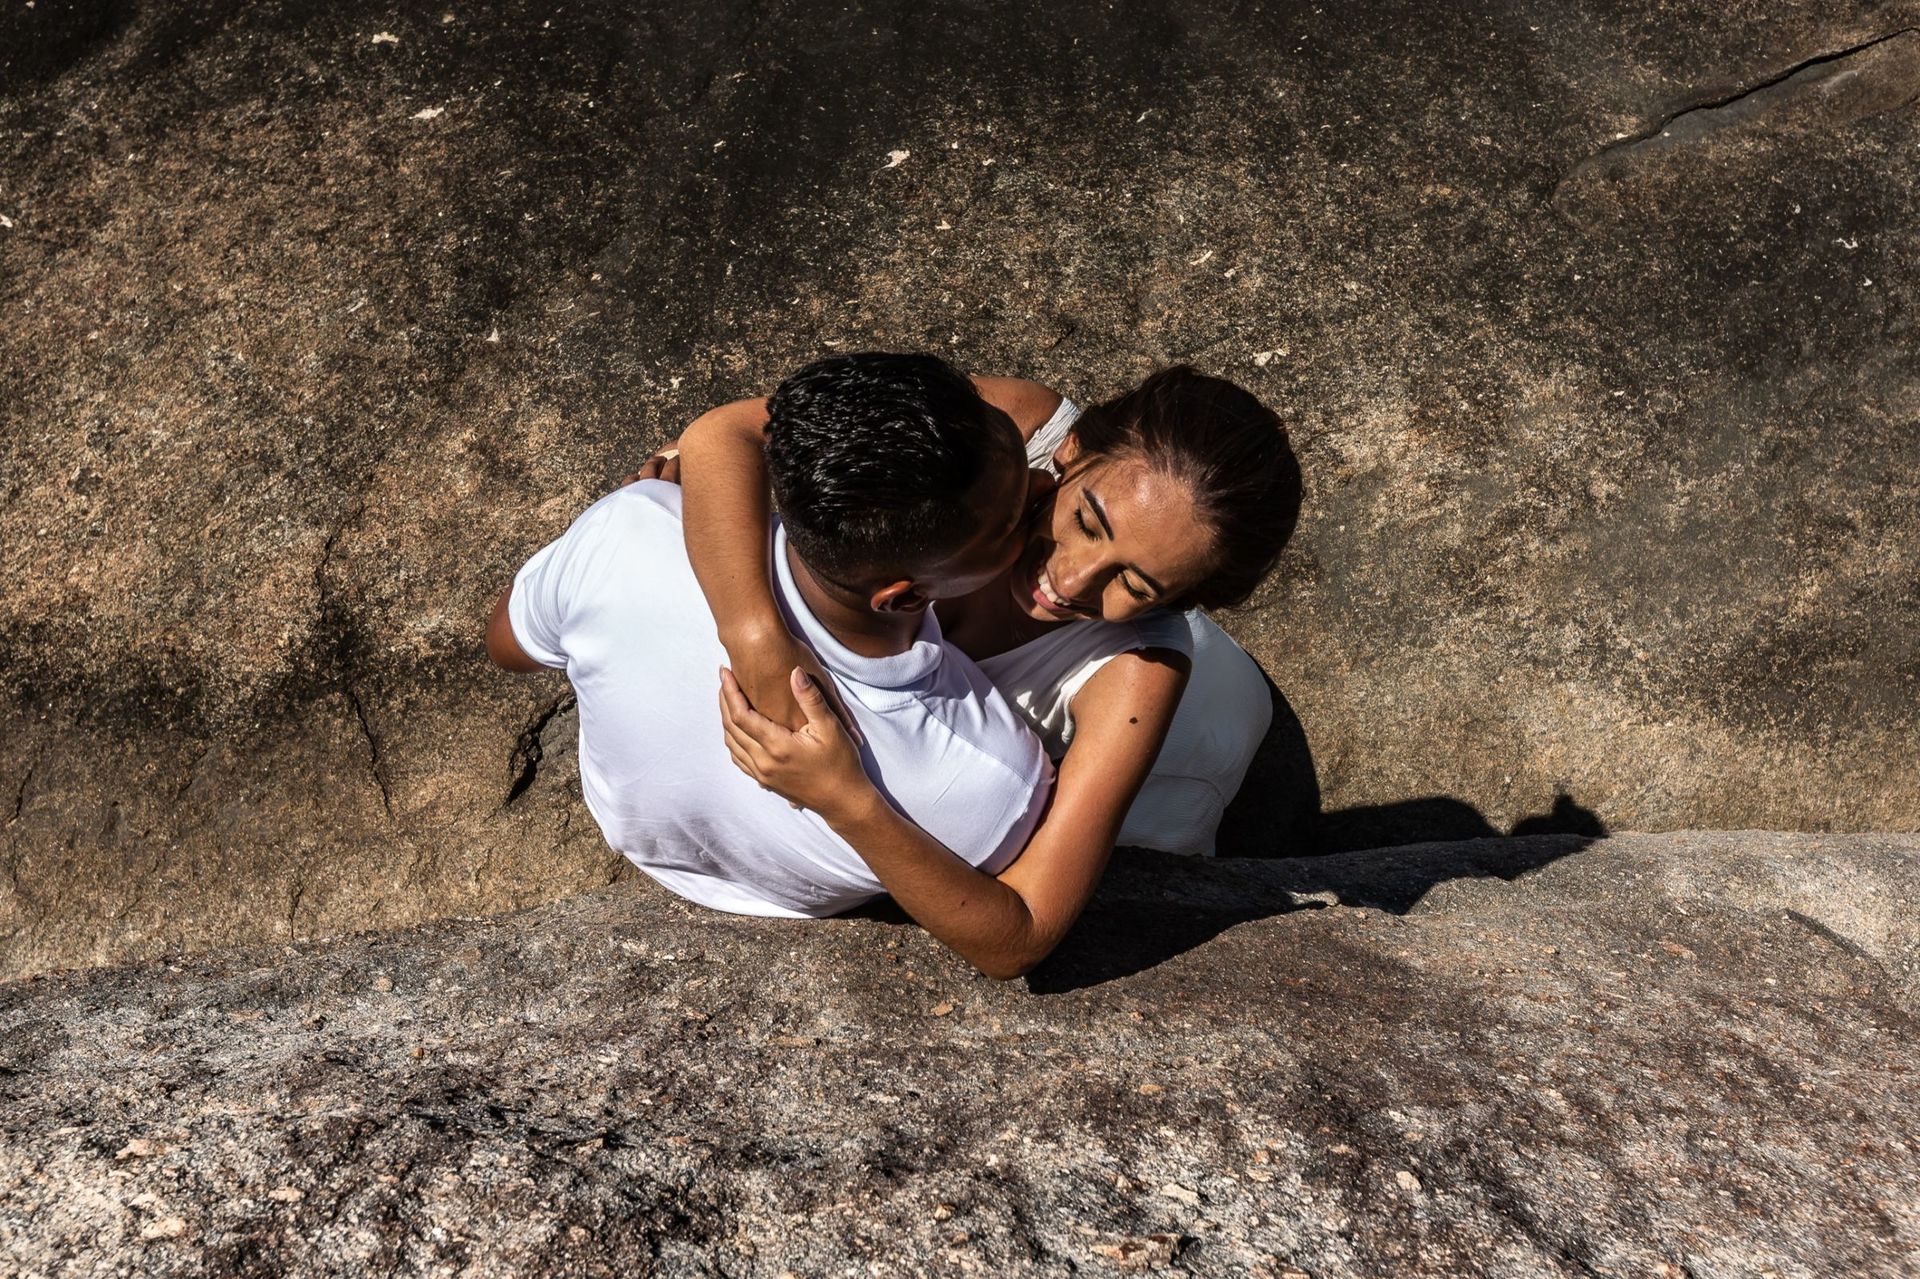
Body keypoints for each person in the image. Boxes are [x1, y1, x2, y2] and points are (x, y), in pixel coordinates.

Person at [654, 363, 1301, 971]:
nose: (1070, 579)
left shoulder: (1140, 671)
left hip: (1188, 759)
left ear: (1183, 601)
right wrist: (755, 635)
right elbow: (726, 433)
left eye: (1135, 583)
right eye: (1087, 521)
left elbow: (1022, 935)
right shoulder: (1017, 427)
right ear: (1071, 450)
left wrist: (846, 801)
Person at [485, 353, 1056, 975]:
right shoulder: (989, 776)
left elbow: (505, 645)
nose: (1043, 488)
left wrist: (632, 539)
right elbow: (1012, 936)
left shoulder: (630, 527)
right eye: (1011, 523)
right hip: (779, 888)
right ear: (903, 597)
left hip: (628, 818)